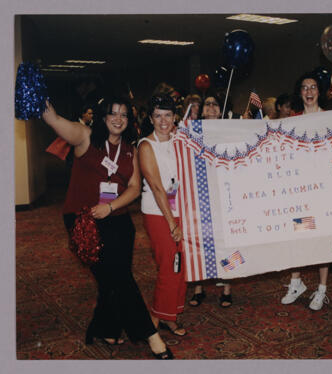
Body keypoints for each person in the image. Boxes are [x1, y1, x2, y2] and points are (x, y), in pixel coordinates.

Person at [41, 97, 173, 359]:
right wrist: (37, 95)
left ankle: (105, 327)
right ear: (103, 117)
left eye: (124, 115)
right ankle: (150, 334)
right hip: (83, 219)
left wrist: (110, 208)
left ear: (129, 120)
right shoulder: (85, 136)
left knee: (112, 279)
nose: (118, 119)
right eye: (113, 113)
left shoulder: (129, 149)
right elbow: (53, 119)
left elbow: (135, 188)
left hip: (118, 218)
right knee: (119, 279)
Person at [138, 95, 188, 336]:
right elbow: (157, 187)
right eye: (158, 115)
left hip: (181, 209)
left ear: (175, 117)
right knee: (169, 264)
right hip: (158, 213)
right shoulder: (146, 145)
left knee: (182, 265)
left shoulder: (181, 140)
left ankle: (171, 314)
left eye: (168, 115)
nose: (163, 120)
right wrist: (171, 223)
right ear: (150, 119)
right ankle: (154, 319)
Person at [281, 72, 330, 311]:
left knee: (321, 239)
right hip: (300, 190)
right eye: (304, 88)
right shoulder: (293, 120)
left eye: (313, 87)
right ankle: (296, 282)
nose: (309, 92)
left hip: (323, 191)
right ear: (299, 93)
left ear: (319, 91)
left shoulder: (329, 118)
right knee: (298, 236)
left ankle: (321, 289)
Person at [187, 93, 233, 308]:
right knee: (199, 242)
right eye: (208, 104)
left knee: (228, 242)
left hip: (225, 193)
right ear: (201, 109)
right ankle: (199, 288)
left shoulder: (228, 131)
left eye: (216, 104)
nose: (212, 107)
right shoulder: (192, 132)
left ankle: (227, 289)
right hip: (200, 193)